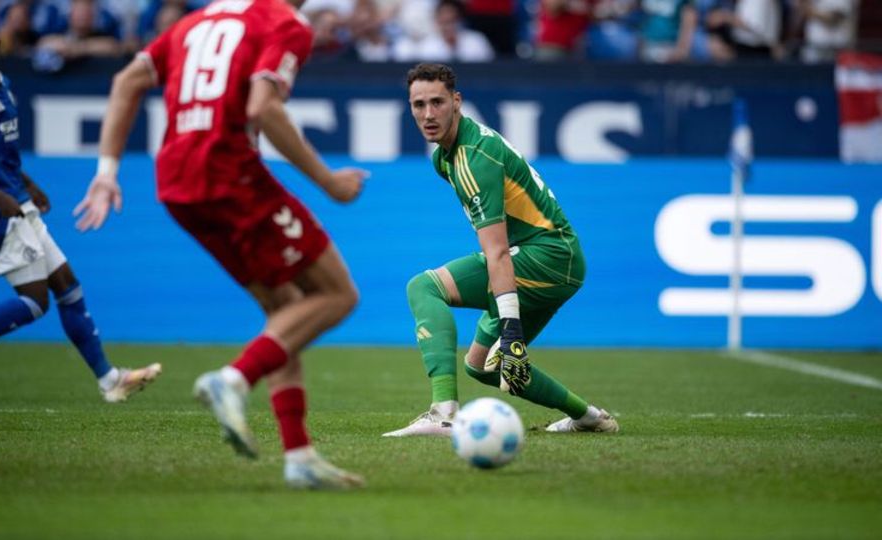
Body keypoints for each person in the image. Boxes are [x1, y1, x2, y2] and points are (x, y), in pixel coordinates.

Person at [73, 0, 367, 490]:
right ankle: (232, 379)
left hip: (175, 183)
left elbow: (126, 81)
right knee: (337, 294)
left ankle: (299, 457)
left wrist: (106, 173)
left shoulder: (193, 22)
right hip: (229, 171)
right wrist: (328, 182)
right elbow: (263, 107)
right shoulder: (284, 22)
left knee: (284, 312)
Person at [0, 16, 162, 403]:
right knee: (35, 303)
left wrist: (28, 185)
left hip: (16, 200)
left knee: (68, 286)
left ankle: (110, 380)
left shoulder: (1, 85)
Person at [383, 63, 619, 438]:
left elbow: (498, 252)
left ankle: (444, 413)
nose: (428, 114)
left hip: (548, 257)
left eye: (437, 103)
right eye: (418, 104)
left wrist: (510, 326)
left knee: (424, 287)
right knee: (485, 366)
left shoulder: (476, 157)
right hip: (551, 258)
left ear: (456, 102)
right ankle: (589, 417)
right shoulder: (445, 158)